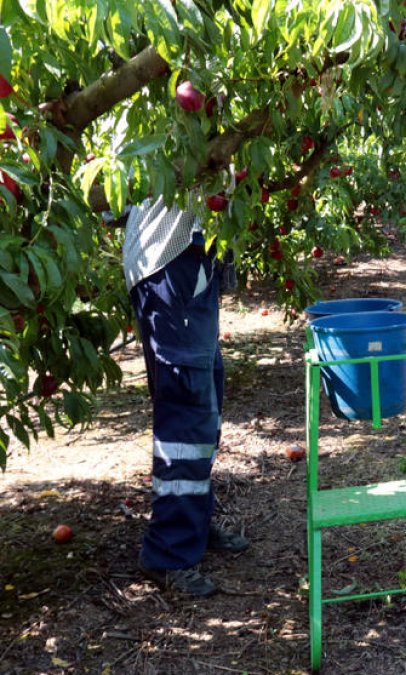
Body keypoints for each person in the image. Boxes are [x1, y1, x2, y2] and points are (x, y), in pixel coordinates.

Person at [122, 194, 248, 597]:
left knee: (204, 402)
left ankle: (192, 520)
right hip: (169, 262)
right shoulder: (178, 129)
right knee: (186, 413)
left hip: (189, 264)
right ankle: (169, 551)